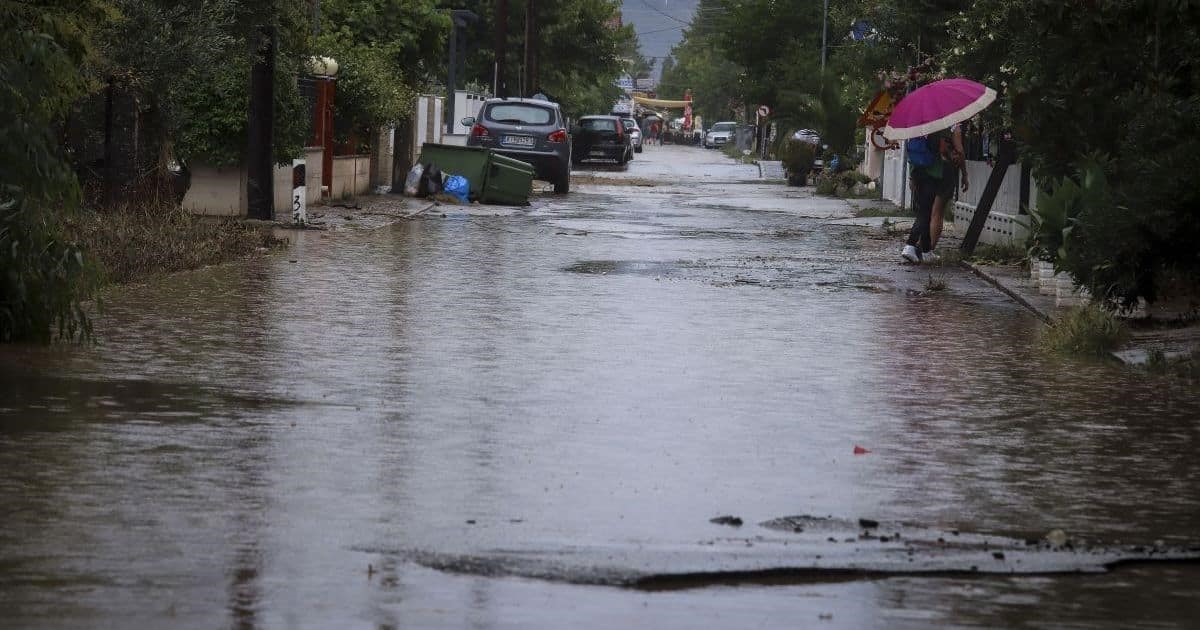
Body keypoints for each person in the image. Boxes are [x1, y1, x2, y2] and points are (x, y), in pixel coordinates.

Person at [928, 122, 969, 257]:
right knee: (938, 212)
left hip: (928, 168)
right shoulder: (953, 125)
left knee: (927, 210)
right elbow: (960, 151)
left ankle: (921, 245)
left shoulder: (930, 122)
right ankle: (929, 249)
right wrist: (964, 173)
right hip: (945, 169)